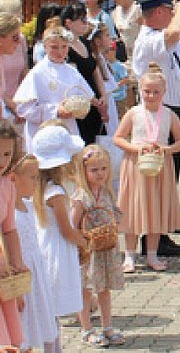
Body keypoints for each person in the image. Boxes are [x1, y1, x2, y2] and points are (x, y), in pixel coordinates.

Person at [131, 0, 180, 253]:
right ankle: (153, 240)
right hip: (157, 118)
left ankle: (162, 233)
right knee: (158, 180)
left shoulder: (158, 35)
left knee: (168, 179)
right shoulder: (149, 39)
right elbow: (176, 31)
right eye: (168, 9)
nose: (172, 13)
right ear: (157, 11)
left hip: (170, 114)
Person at [114, 67, 180, 273]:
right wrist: (137, 148)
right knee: (132, 210)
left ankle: (152, 254)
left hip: (160, 168)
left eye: (156, 92)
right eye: (147, 91)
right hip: (136, 167)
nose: (151, 96)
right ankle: (129, 255)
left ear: (164, 93)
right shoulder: (134, 113)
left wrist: (167, 150)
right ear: (140, 91)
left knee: (155, 211)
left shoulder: (170, 115)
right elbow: (118, 138)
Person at [30, 125, 89, 348]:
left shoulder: (39, 187)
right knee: (53, 307)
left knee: (50, 311)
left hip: (46, 243)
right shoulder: (55, 192)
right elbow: (65, 229)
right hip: (56, 248)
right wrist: (83, 241)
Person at [71, 144, 125, 346]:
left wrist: (112, 229)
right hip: (89, 252)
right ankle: (86, 329)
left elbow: (115, 215)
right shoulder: (80, 197)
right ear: (83, 171)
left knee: (104, 288)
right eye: (94, 170)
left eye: (103, 169)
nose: (100, 173)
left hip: (107, 249)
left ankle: (107, 326)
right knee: (86, 289)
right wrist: (85, 242)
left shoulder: (107, 192)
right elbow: (73, 226)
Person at [15, 20, 95, 150]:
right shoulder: (37, 73)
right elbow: (24, 109)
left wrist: (77, 107)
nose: (60, 52)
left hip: (68, 128)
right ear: (45, 47)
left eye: (64, 47)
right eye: (54, 47)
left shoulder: (72, 71)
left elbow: (87, 95)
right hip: (42, 131)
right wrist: (55, 111)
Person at [11, 151, 59, 352]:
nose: (36, 181)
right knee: (21, 325)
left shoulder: (30, 207)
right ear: (14, 178)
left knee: (39, 320)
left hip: (35, 273)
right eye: (32, 177)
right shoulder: (9, 212)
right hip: (20, 273)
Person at [61, 3, 108, 144]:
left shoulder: (85, 42)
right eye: (81, 19)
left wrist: (103, 95)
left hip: (95, 102)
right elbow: (73, 79)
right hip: (80, 104)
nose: (85, 22)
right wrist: (91, 99)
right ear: (68, 23)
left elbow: (95, 70)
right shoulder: (65, 49)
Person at [0, 121, 26, 349]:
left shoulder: (7, 184)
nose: (2, 161)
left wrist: (18, 265)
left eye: (7, 154)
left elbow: (9, 231)